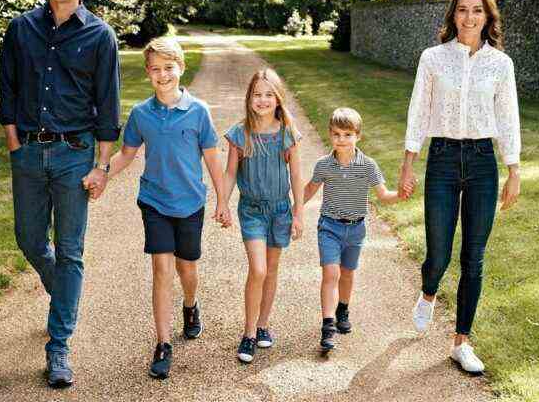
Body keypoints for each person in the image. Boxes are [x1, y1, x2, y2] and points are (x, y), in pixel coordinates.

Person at [0, 0, 121, 388]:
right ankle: (63, 296)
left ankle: (59, 346)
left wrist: (102, 167)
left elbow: (108, 108)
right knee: (29, 239)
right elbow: (6, 90)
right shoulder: (21, 29)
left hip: (74, 155)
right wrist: (14, 143)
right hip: (28, 152)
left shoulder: (100, 36)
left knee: (70, 251)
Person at [398, 0, 521, 374]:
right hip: (444, 159)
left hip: (484, 161)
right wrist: (408, 161)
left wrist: (513, 169)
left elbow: (508, 118)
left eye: (478, 10)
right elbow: (419, 110)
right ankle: (429, 291)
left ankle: (461, 342)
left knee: (474, 257)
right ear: (453, 14)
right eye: (463, 9)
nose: (470, 17)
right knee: (439, 254)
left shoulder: (500, 64)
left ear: (488, 17)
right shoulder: (433, 58)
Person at [103, 37, 230, 380]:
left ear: (181, 68)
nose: (163, 75)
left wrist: (222, 200)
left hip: (190, 203)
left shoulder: (198, 111)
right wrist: (101, 176)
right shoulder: (142, 114)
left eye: (169, 68)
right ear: (148, 73)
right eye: (156, 69)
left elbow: (213, 160)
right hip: (155, 202)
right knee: (161, 267)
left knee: (186, 270)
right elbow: (127, 155)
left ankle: (190, 305)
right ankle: (162, 343)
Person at [222, 68, 304, 364]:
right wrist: (223, 202)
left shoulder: (287, 132)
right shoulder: (240, 133)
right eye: (257, 94)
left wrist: (298, 212)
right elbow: (230, 172)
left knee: (271, 269)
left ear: (278, 99)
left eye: (269, 95)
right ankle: (248, 333)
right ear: (249, 98)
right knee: (257, 269)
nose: (263, 100)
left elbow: (296, 174)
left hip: (280, 210)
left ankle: (263, 324)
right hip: (252, 210)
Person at [304, 108, 401, 352]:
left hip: (356, 229)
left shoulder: (368, 166)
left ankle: (343, 309)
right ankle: (327, 327)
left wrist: (401, 194)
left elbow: (383, 195)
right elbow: (309, 190)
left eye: (348, 134)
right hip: (329, 227)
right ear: (330, 135)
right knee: (331, 274)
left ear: (358, 136)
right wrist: (293, 209)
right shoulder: (324, 165)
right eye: (336, 134)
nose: (341, 139)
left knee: (347, 274)